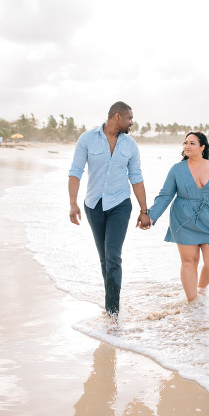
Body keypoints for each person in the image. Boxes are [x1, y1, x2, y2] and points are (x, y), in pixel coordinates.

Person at [68, 101, 151, 320]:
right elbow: (75, 172)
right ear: (117, 117)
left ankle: (113, 312)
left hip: (120, 205)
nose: (132, 123)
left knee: (113, 255)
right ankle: (111, 304)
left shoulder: (130, 145)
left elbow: (136, 177)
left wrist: (144, 210)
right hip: (94, 205)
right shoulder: (87, 139)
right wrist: (73, 203)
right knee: (104, 258)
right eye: (129, 118)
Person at [146, 132, 209, 302]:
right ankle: (193, 303)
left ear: (202, 147)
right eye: (185, 143)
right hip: (183, 219)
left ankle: (201, 288)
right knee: (189, 261)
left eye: (192, 143)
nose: (187, 146)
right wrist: (151, 216)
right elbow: (165, 195)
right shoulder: (177, 169)